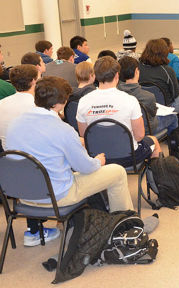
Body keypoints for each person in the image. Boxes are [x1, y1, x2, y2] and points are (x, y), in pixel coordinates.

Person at [6, 76, 134, 246]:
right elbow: (86, 167)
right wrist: (98, 161)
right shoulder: (63, 130)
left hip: (23, 195)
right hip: (57, 197)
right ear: (60, 103)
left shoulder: (14, 124)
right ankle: (122, 226)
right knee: (117, 172)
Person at [76, 56, 161, 166]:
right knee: (153, 140)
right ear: (117, 75)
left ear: (95, 76)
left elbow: (84, 134)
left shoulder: (83, 101)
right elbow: (139, 136)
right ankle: (156, 180)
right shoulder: (130, 100)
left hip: (97, 156)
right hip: (128, 156)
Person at [138, 39, 179, 126]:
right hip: (166, 106)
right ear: (164, 52)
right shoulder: (167, 70)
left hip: (144, 106)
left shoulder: (138, 68)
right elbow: (175, 94)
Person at [118, 56, 178, 134]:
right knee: (173, 117)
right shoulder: (148, 97)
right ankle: (173, 143)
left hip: (123, 129)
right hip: (145, 130)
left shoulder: (115, 93)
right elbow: (153, 115)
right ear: (136, 71)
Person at [0, 65, 38, 149]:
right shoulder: (38, 107)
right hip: (33, 158)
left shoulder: (1, 103)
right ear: (33, 81)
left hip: (6, 157)